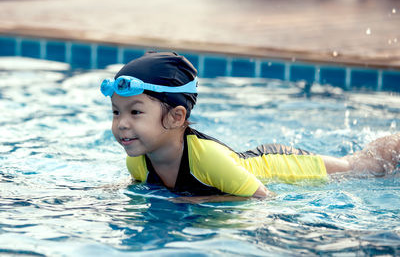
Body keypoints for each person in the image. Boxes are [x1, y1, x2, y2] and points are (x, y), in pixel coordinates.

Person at [101, 51, 400, 202]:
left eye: (135, 112)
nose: (121, 124)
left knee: (365, 165)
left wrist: (202, 201)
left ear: (176, 117)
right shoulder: (138, 160)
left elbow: (263, 199)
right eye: (116, 112)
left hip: (287, 166)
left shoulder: (207, 159)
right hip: (249, 160)